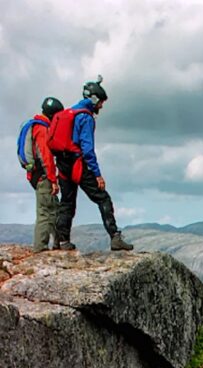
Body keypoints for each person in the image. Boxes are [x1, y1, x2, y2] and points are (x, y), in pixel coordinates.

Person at [52, 77, 133, 252]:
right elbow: (87, 149)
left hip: (63, 164)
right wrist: (97, 174)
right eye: (101, 102)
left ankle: (62, 241)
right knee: (103, 198)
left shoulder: (69, 113)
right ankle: (115, 237)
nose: (101, 106)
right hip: (77, 164)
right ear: (95, 99)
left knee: (67, 202)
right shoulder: (85, 118)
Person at [19, 97, 64, 252]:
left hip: (37, 176)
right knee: (46, 212)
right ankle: (41, 248)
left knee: (52, 208)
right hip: (44, 177)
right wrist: (53, 179)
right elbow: (46, 157)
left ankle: (56, 244)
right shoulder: (42, 129)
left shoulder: (36, 125)